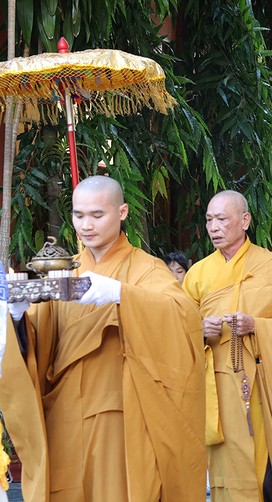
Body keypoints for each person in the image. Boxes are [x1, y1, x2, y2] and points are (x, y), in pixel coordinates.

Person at [1, 175, 206, 501]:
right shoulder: (65, 273)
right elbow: (37, 348)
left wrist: (122, 294)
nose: (86, 225)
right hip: (64, 414)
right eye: (79, 215)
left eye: (98, 215)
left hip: (116, 415)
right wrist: (17, 316)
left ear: (122, 212)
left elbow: (182, 317)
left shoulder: (146, 270)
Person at [183, 191, 272, 501]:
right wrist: (198, 330)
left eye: (222, 219)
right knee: (225, 468)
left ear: (245, 221)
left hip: (262, 387)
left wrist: (257, 326)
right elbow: (177, 332)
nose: (214, 227)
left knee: (265, 470)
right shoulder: (197, 274)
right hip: (216, 387)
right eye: (209, 220)